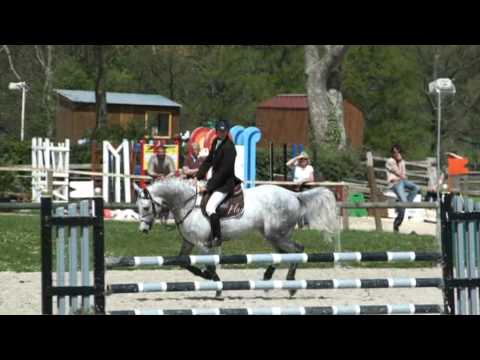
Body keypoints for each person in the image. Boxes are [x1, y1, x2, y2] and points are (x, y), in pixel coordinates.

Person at [195, 120, 242, 248]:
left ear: (227, 132)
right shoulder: (215, 142)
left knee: (210, 207)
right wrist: (198, 176)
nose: (221, 133)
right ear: (216, 131)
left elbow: (223, 172)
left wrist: (208, 186)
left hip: (225, 184)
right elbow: (209, 160)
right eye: (219, 131)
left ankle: (217, 237)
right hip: (216, 181)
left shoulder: (230, 148)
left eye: (224, 131)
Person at [386, 144, 421, 233]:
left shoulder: (402, 162)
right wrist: (401, 165)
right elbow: (398, 173)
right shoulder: (390, 161)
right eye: (394, 152)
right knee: (404, 202)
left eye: (398, 152)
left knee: (416, 188)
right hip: (395, 183)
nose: (396, 154)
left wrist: (401, 163)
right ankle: (397, 222)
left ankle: (402, 204)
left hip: (401, 181)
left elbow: (404, 174)